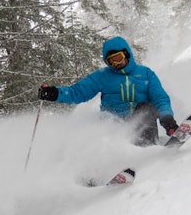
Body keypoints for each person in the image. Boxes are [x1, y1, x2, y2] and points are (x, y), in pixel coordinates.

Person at [38, 36, 178, 146]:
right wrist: (55, 93)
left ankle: (147, 150)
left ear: (126, 54)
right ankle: (95, 172)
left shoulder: (146, 74)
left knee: (146, 108)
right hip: (114, 123)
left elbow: (160, 99)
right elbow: (78, 92)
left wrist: (167, 118)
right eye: (111, 61)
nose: (116, 64)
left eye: (118, 58)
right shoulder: (103, 76)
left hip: (141, 125)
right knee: (93, 129)